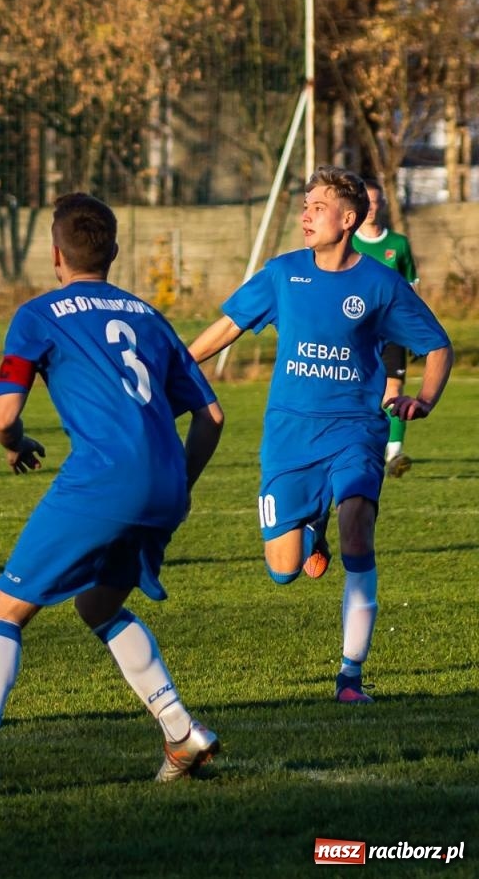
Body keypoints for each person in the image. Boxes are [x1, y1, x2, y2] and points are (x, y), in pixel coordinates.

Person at [0, 194, 225, 796]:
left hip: (103, 479)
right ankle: (181, 731)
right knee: (97, 605)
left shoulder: (38, 314)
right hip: (165, 484)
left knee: (2, 608)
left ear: (56, 254)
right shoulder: (148, 315)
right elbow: (212, 416)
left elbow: (2, 416)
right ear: (115, 252)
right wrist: (178, 481)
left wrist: (16, 440)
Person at [189, 167, 450, 704]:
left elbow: (438, 344)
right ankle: (312, 525)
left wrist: (423, 399)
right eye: (303, 205)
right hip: (288, 436)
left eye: (316, 206)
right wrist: (177, 364)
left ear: (347, 219)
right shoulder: (283, 274)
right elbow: (228, 326)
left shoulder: (380, 284)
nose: (305, 215)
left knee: (359, 531)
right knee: (284, 569)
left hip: (356, 429)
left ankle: (350, 677)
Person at [352, 178, 420, 477]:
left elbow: (412, 288)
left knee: (394, 389)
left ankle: (394, 454)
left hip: (392, 331)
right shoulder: (349, 242)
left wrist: (417, 331)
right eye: (367, 201)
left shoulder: (398, 244)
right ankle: (358, 446)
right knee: (358, 391)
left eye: (377, 201)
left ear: (382, 204)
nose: (372, 207)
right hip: (358, 332)